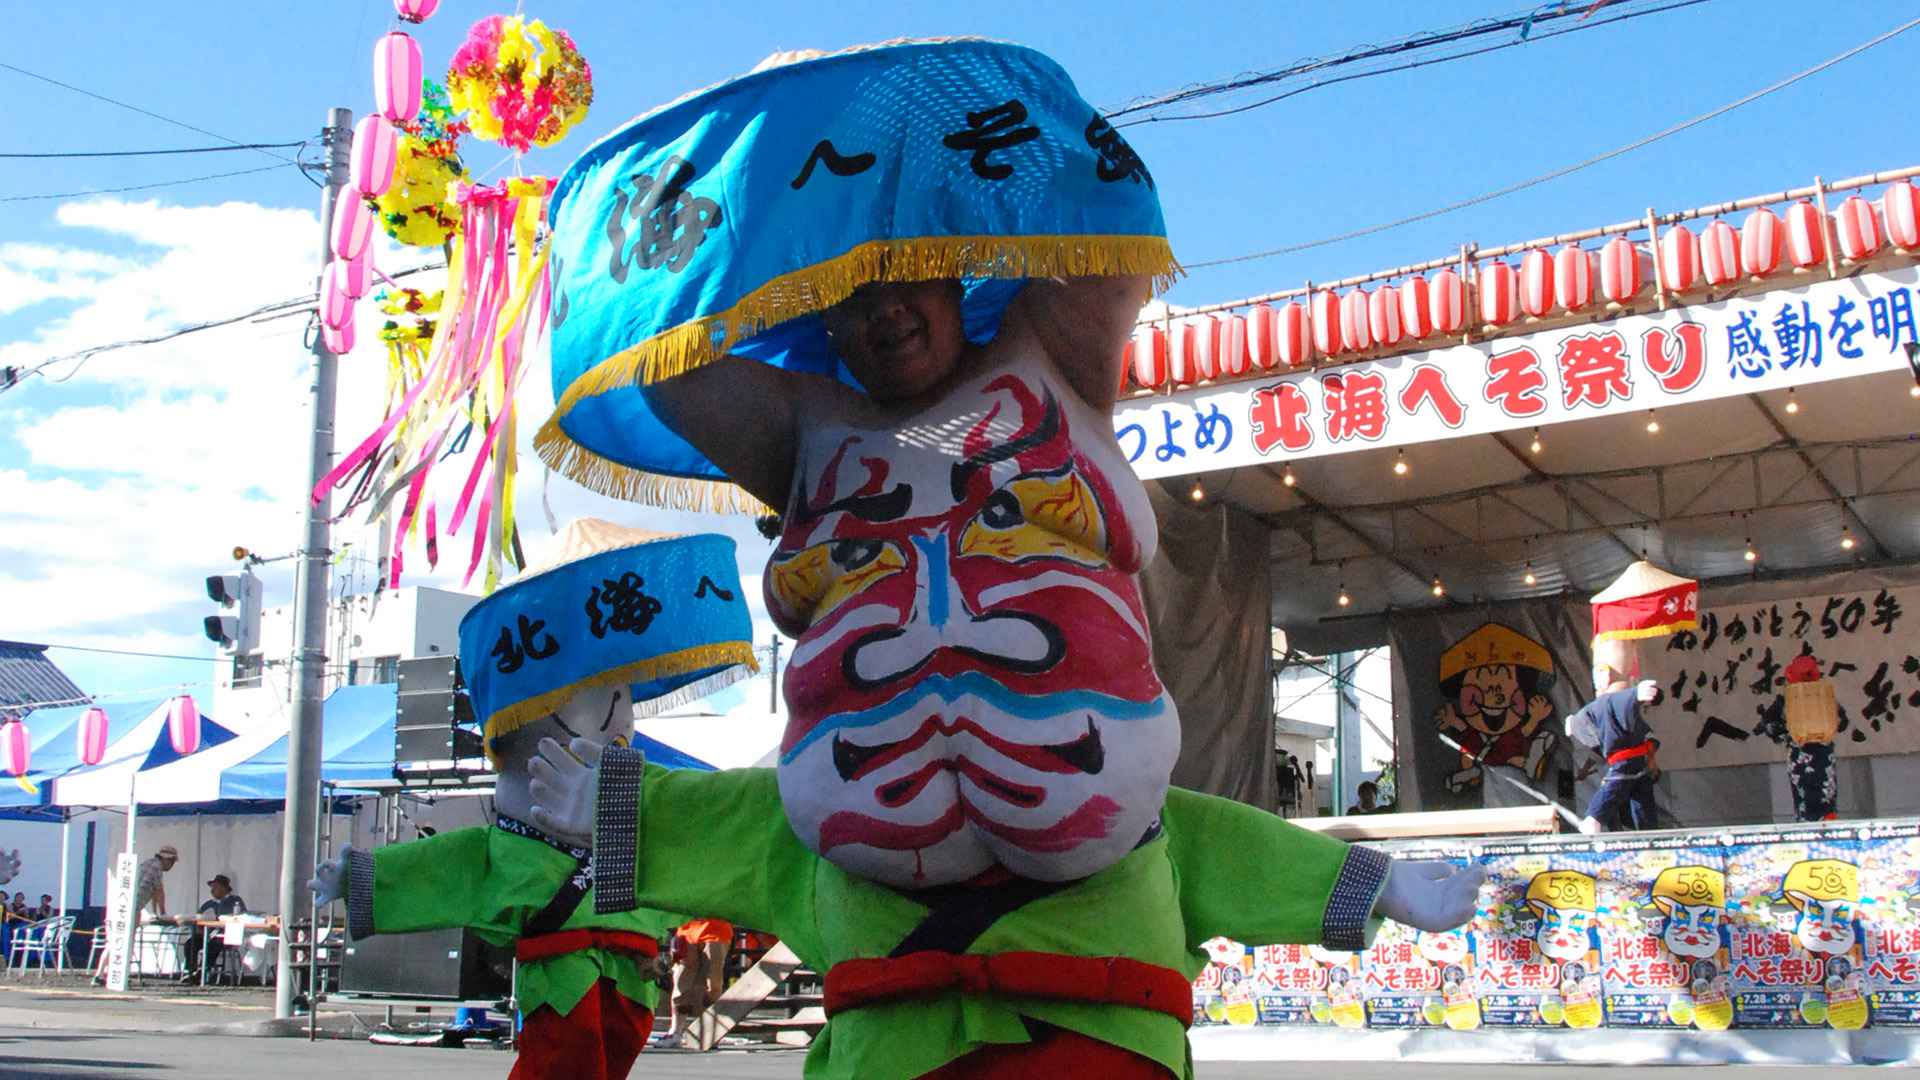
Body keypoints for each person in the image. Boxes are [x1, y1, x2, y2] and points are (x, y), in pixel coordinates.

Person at [528, 40, 1485, 1079]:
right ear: (819, 314)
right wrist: (770, 157)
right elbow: (666, 358)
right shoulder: (805, 432)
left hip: (1095, 985)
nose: (886, 308)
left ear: (957, 270)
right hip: (885, 973)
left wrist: (1374, 883)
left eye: (908, 271)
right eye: (850, 290)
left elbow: (1105, 231)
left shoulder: (1048, 358)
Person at [312, 522, 757, 1080]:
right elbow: (448, 865)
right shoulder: (511, 845)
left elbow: (684, 856)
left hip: (633, 968)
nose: (617, 717)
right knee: (565, 1059)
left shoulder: (632, 818)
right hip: (562, 972)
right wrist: (362, 875)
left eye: (620, 699)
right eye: (594, 701)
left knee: (610, 1056)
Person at [1566, 665, 1663, 834]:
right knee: (1616, 785)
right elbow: (1619, 700)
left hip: (1637, 761)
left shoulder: (1620, 708)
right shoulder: (1609, 701)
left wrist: (1651, 761)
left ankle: (1649, 832)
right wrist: (1635, 693)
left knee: (1641, 794)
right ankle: (1593, 818)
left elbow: (1650, 740)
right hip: (1624, 759)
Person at [660, 918, 733, 1046]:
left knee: (713, 985)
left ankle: (711, 1032)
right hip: (686, 932)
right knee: (681, 982)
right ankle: (675, 1032)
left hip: (717, 931)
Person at [180, 875, 246, 985]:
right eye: (212, 887)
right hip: (208, 934)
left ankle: (202, 971)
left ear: (224, 888)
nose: (212, 890)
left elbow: (242, 917)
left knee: (213, 945)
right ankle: (191, 971)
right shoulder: (209, 904)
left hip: (225, 935)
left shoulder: (235, 901)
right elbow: (198, 917)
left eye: (215, 887)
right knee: (191, 943)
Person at [135, 845, 177, 918]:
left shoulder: (147, 863)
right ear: (166, 859)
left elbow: (154, 891)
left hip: (131, 903)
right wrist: (163, 913)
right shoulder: (157, 867)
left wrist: (154, 912)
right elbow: (159, 891)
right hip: (135, 905)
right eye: (172, 862)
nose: (172, 865)